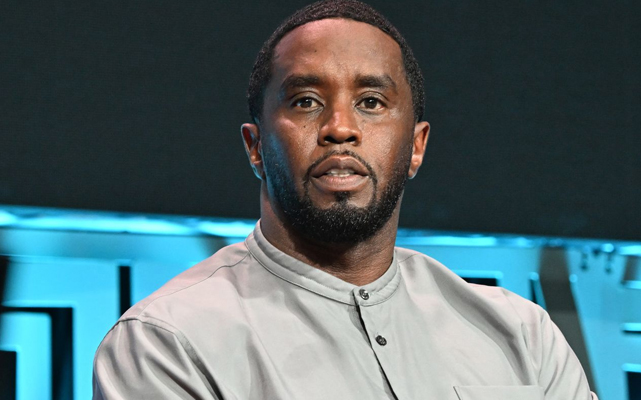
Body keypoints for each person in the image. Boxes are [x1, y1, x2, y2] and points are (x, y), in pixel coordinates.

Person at [92, 1, 598, 399]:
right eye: (306, 101)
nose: (340, 128)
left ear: (416, 146)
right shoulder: (168, 341)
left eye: (371, 102)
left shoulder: (521, 334)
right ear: (255, 146)